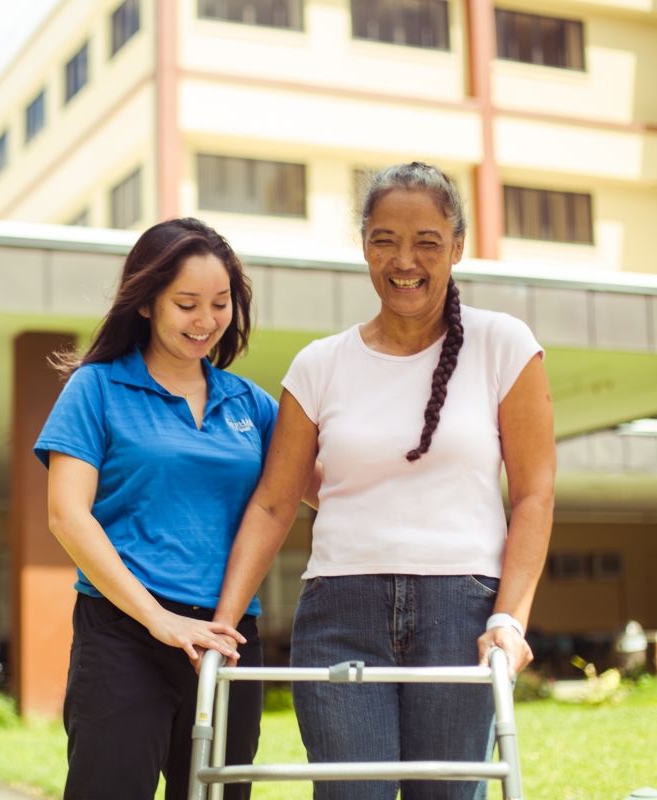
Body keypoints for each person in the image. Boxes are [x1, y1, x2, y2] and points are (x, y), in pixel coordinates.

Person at [212, 163, 556, 800]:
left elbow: (535, 494)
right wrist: (222, 626)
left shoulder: (503, 345)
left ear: (457, 245)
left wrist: (510, 616)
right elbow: (274, 502)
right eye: (385, 240)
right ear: (364, 244)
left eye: (427, 241)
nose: (406, 261)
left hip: (463, 613)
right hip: (341, 613)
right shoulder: (318, 365)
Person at [36, 218, 297, 800]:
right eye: (186, 304)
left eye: (220, 303)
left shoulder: (249, 403)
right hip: (124, 633)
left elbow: (321, 487)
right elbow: (67, 516)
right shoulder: (95, 389)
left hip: (228, 637)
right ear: (147, 302)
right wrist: (158, 618)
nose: (206, 321)